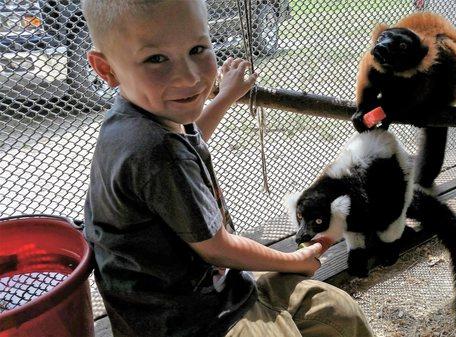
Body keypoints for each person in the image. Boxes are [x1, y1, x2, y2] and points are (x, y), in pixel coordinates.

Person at [81, 1, 375, 336]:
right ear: (106, 70)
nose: (190, 77)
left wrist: (224, 97)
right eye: (156, 58)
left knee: (340, 313)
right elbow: (217, 247)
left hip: (218, 287)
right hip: (183, 319)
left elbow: (191, 145)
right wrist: (296, 261)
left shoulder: (154, 114)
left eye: (198, 49)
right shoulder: (149, 145)